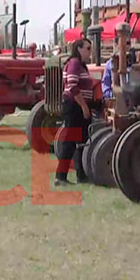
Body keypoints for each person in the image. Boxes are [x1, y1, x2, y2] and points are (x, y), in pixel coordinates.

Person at [56, 38, 93, 186]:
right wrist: (84, 106)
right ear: (79, 49)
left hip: (79, 105)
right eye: (88, 48)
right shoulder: (74, 63)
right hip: (74, 105)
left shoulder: (81, 65)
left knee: (81, 141)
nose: (90, 52)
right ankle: (60, 177)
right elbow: (72, 86)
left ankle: (81, 175)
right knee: (70, 141)